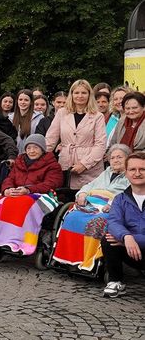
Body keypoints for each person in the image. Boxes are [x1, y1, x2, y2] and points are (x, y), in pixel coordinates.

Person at [0, 134, 64, 257]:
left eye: (35, 148)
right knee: (1, 202)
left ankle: (14, 240)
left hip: (38, 195)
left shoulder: (52, 165)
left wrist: (29, 190)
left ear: (42, 149)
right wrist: (7, 189)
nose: (31, 151)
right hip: (17, 194)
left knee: (22, 204)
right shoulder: (20, 162)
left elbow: (52, 183)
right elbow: (10, 179)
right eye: (29, 148)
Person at [52, 144, 131, 274]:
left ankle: (90, 261)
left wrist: (114, 205)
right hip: (91, 204)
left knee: (98, 222)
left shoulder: (129, 177)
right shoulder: (106, 173)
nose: (115, 160)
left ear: (128, 159)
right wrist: (82, 194)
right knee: (72, 217)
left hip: (111, 207)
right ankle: (68, 258)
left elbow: (128, 196)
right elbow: (89, 186)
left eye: (119, 157)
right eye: (112, 158)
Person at [44, 79, 106, 190]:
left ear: (89, 95)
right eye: (76, 93)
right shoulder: (62, 113)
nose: (80, 96)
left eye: (84, 93)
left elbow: (100, 145)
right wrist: (39, 158)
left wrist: (84, 164)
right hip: (66, 165)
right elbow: (50, 139)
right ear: (71, 95)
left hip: (90, 168)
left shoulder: (98, 116)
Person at [101, 151, 145, 297]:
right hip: (131, 251)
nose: (137, 173)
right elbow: (113, 222)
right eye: (132, 169)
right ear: (126, 173)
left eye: (142, 169)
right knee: (108, 238)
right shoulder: (119, 199)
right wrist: (126, 237)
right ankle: (115, 281)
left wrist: (132, 239)